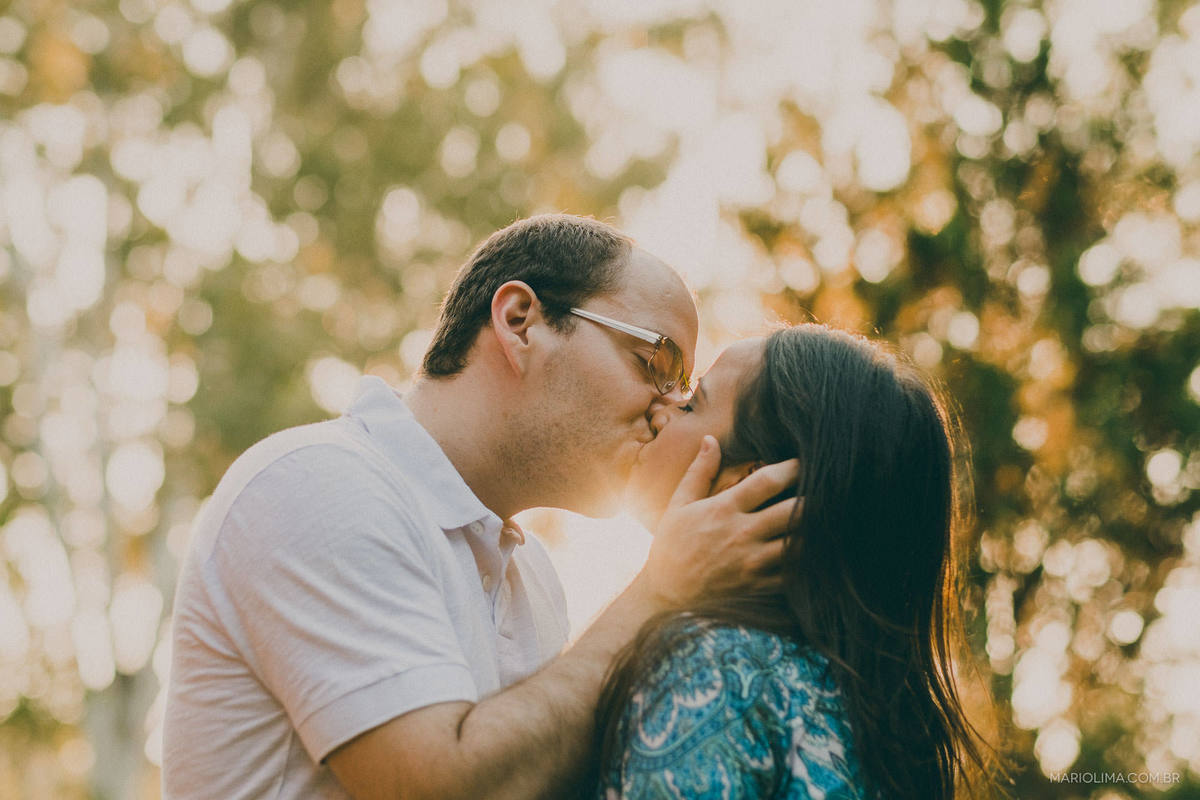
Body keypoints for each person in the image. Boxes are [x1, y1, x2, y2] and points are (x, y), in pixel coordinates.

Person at [163, 214, 799, 800]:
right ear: (521, 321)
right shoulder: (318, 484)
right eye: (656, 364)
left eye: (683, 390)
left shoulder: (534, 583)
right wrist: (660, 592)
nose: (667, 412)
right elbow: (441, 787)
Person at [594, 325, 992, 799]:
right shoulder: (883, 721)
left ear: (750, 483)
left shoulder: (715, 677)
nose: (661, 406)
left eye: (693, 402)